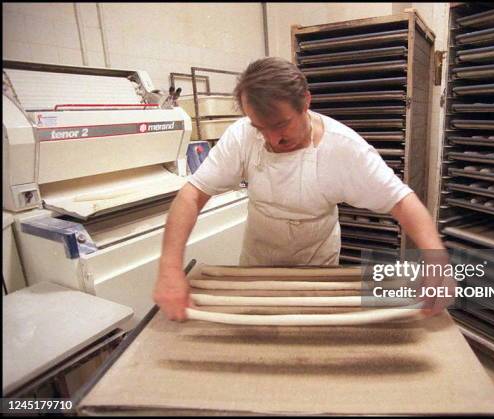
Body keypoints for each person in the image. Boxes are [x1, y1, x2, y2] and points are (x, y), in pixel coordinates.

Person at [153, 57, 452, 321]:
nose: (272, 139)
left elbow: (402, 201)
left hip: (316, 269)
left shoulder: (344, 149)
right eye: (261, 128)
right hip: (258, 268)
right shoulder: (241, 136)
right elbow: (192, 195)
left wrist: (436, 260)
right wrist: (169, 268)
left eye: (281, 125)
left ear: (306, 101)